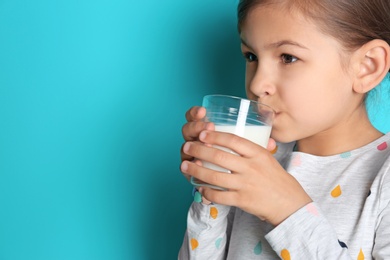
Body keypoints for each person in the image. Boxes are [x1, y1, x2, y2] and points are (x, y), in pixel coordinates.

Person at [178, 0, 390, 259]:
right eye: (251, 56)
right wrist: (212, 189)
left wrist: (287, 211)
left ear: (368, 66)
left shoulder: (383, 176)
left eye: (288, 57)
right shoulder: (255, 161)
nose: (257, 84)